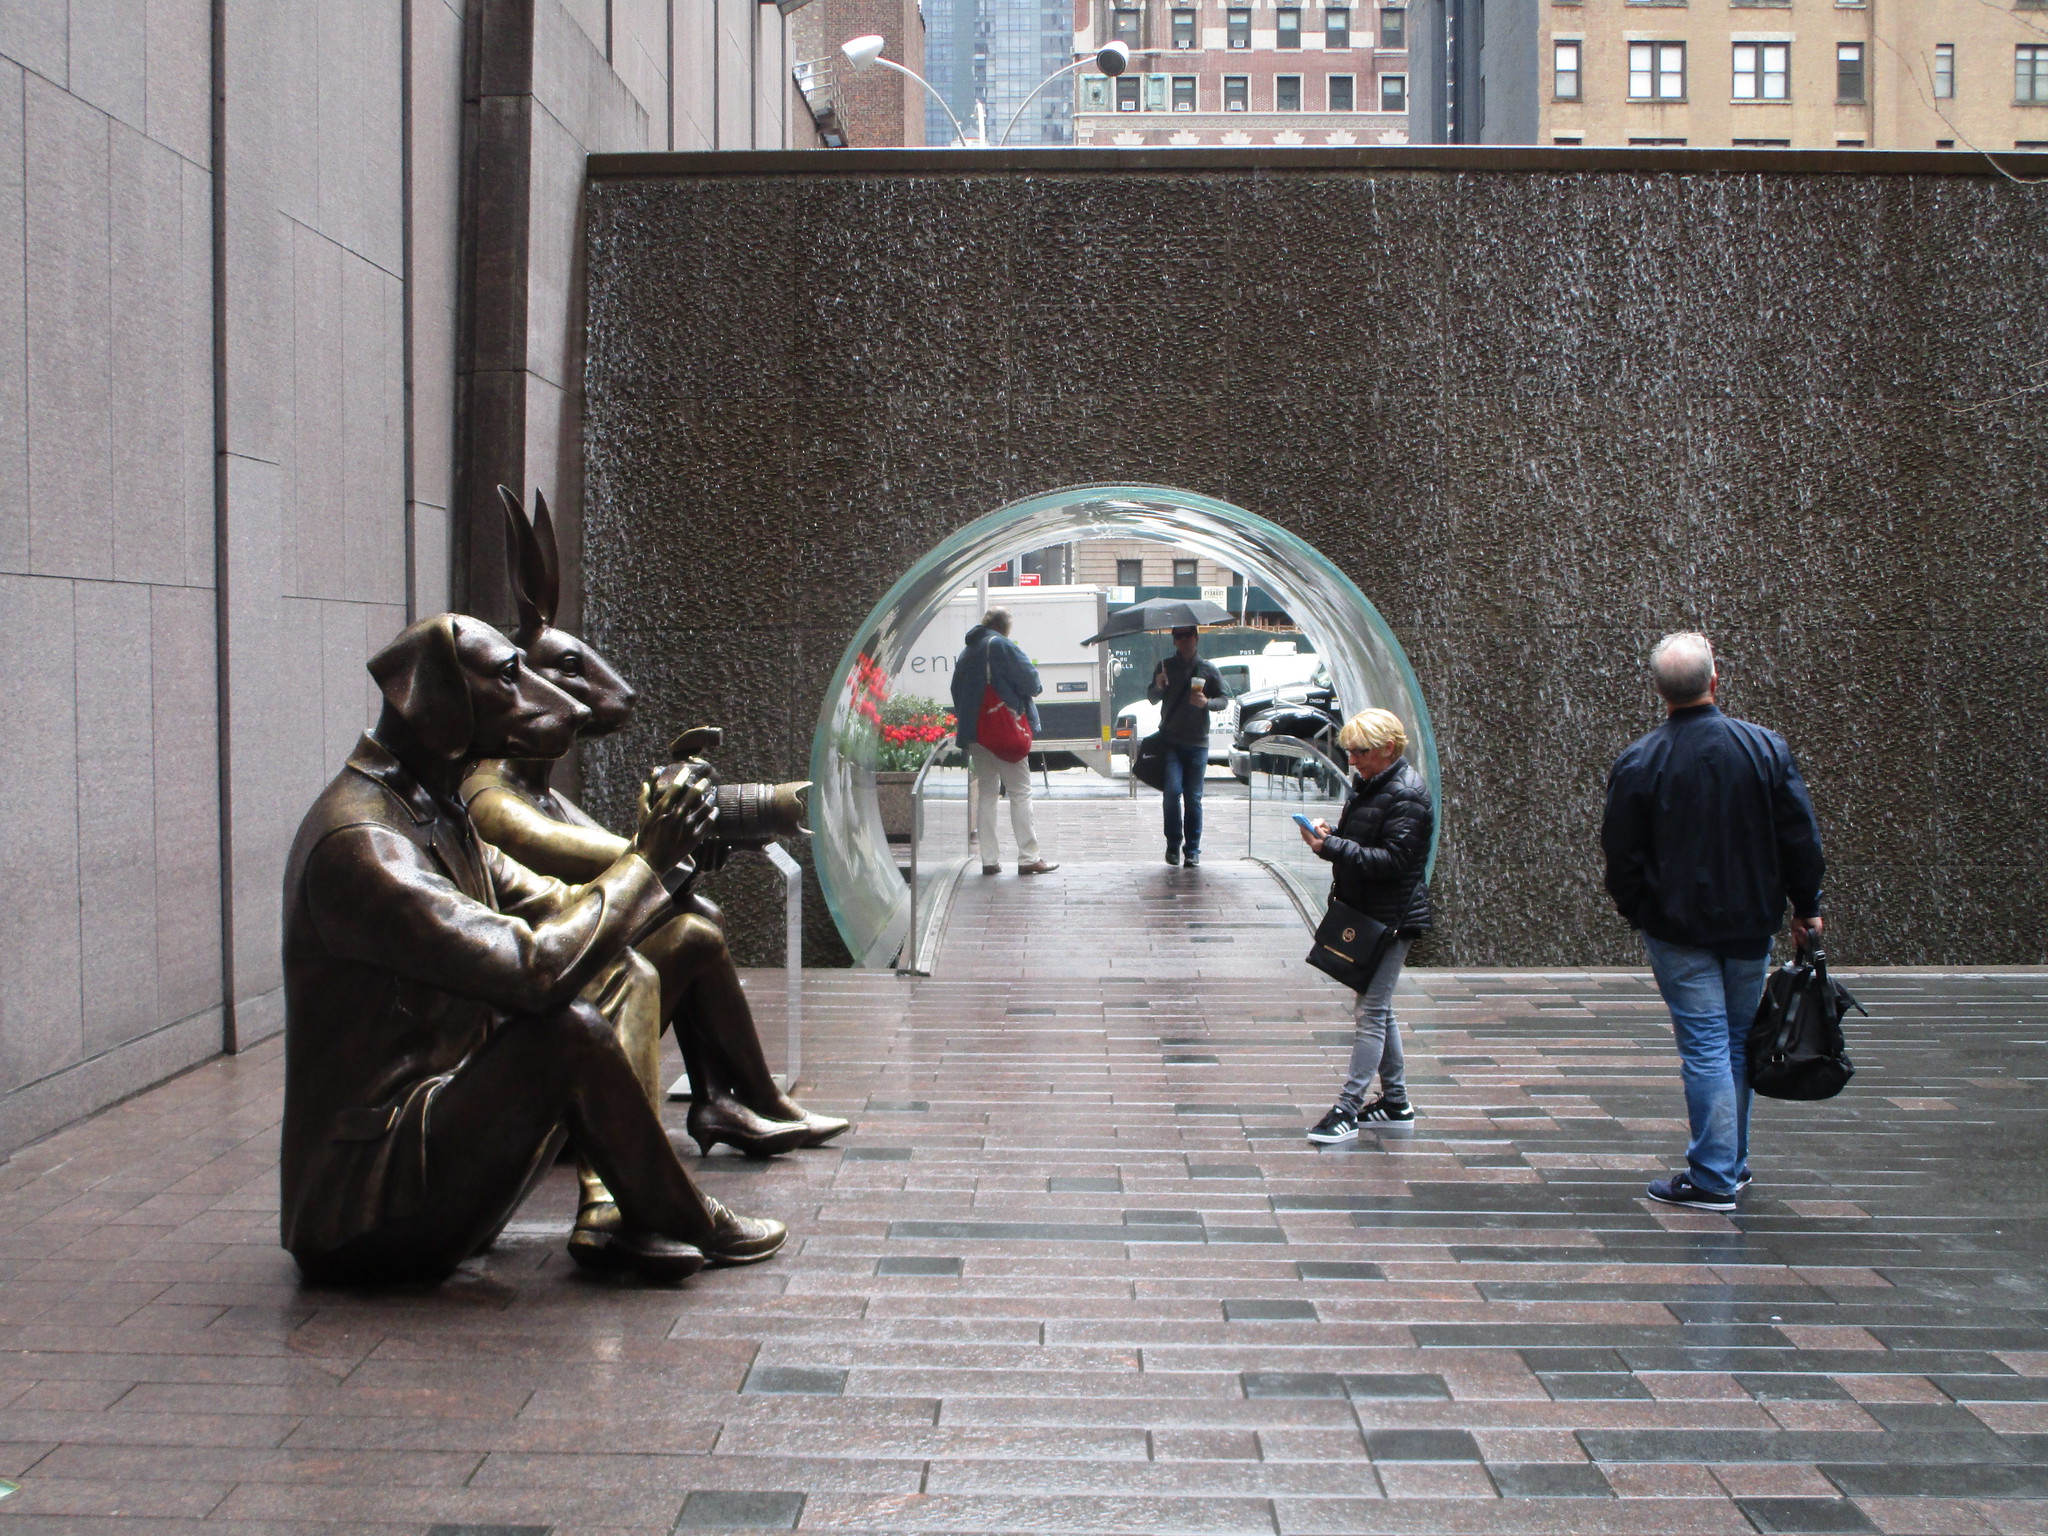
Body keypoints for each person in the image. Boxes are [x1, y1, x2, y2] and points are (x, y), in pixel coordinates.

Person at [280, 614, 786, 1286]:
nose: (563, 704)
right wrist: (649, 859)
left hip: (429, 1151)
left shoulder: (436, 813)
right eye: (509, 679)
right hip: (366, 1208)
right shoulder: (365, 844)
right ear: (441, 701)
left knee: (624, 970)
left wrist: (658, 860)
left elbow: (559, 909)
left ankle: (630, 1206)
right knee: (566, 1030)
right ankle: (679, 1213)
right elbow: (533, 971)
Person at [1601, 631, 1825, 1213]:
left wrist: (1640, 912)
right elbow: (1800, 838)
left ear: (1658, 690)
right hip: (1752, 923)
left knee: (1705, 1045)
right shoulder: (1764, 748)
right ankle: (1731, 1162)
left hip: (1676, 929)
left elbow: (1620, 858)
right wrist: (1807, 908)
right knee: (1735, 1041)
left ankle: (1712, 1177)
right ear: (1715, 679)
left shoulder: (1639, 760)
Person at [1300, 709, 1434, 1144]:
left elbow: (1394, 862)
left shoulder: (1407, 795)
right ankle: (1396, 1103)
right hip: (1373, 912)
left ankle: (1348, 1108)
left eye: (1360, 752)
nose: (1353, 760)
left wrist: (1333, 845)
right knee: (1378, 1007)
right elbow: (1368, 843)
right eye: (1350, 752)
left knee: (1371, 1011)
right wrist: (1331, 837)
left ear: (1387, 749)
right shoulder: (1374, 785)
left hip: (1391, 919)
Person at [951, 607, 1057, 876]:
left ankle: (989, 860)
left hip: (975, 733)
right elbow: (1030, 681)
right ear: (1005, 627)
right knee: (1020, 791)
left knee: (987, 792)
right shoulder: (1000, 645)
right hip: (1001, 729)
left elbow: (956, 690)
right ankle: (1028, 857)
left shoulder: (967, 651)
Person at [1146, 626, 1228, 866]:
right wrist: (1159, 686)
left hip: (1198, 743)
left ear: (1196, 637)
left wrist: (1206, 702)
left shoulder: (1208, 669)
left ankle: (1192, 850)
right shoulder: (1165, 667)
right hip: (1171, 741)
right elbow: (1152, 697)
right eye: (1178, 636)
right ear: (1173, 641)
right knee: (1172, 793)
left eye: (1187, 635)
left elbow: (1223, 700)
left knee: (1193, 798)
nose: (1183, 640)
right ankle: (1172, 846)